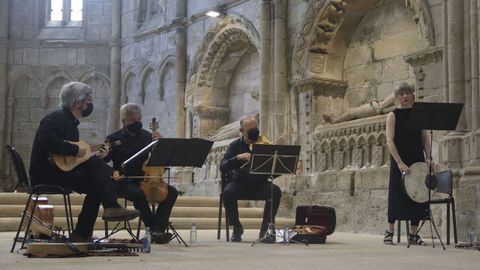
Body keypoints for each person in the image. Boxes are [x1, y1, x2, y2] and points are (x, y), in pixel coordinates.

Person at [29, 82, 140, 242]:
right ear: (78, 102)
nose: (90, 104)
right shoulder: (56, 118)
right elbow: (46, 139)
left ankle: (83, 233)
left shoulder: (71, 124)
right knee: (99, 179)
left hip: (61, 171)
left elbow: (72, 161)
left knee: (97, 180)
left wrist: (95, 156)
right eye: (88, 100)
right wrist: (75, 150)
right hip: (45, 173)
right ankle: (112, 201)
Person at [104, 103, 178, 244]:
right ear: (123, 120)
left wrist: (162, 144)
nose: (137, 122)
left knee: (172, 192)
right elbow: (104, 161)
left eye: (139, 119)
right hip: (123, 180)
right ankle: (154, 229)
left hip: (145, 179)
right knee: (139, 194)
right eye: (133, 120)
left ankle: (157, 229)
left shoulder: (147, 137)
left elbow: (160, 159)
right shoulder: (113, 138)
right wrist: (112, 170)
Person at [220, 116, 281, 243]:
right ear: (242, 131)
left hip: (260, 184)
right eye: (250, 129)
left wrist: (276, 169)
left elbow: (274, 170)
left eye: (256, 128)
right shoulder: (235, 146)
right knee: (227, 193)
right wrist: (238, 157)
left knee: (275, 191)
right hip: (240, 183)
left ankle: (265, 230)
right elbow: (223, 166)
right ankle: (236, 227)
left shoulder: (264, 143)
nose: (255, 131)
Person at [384, 82, 429, 245]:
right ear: (397, 97)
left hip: (417, 158)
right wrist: (399, 162)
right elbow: (389, 141)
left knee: (418, 194)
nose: (405, 96)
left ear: (412, 95)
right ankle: (389, 231)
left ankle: (413, 234)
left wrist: (429, 158)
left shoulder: (418, 114)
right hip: (399, 159)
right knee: (396, 194)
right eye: (401, 93)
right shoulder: (392, 115)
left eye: (407, 93)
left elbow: (424, 137)